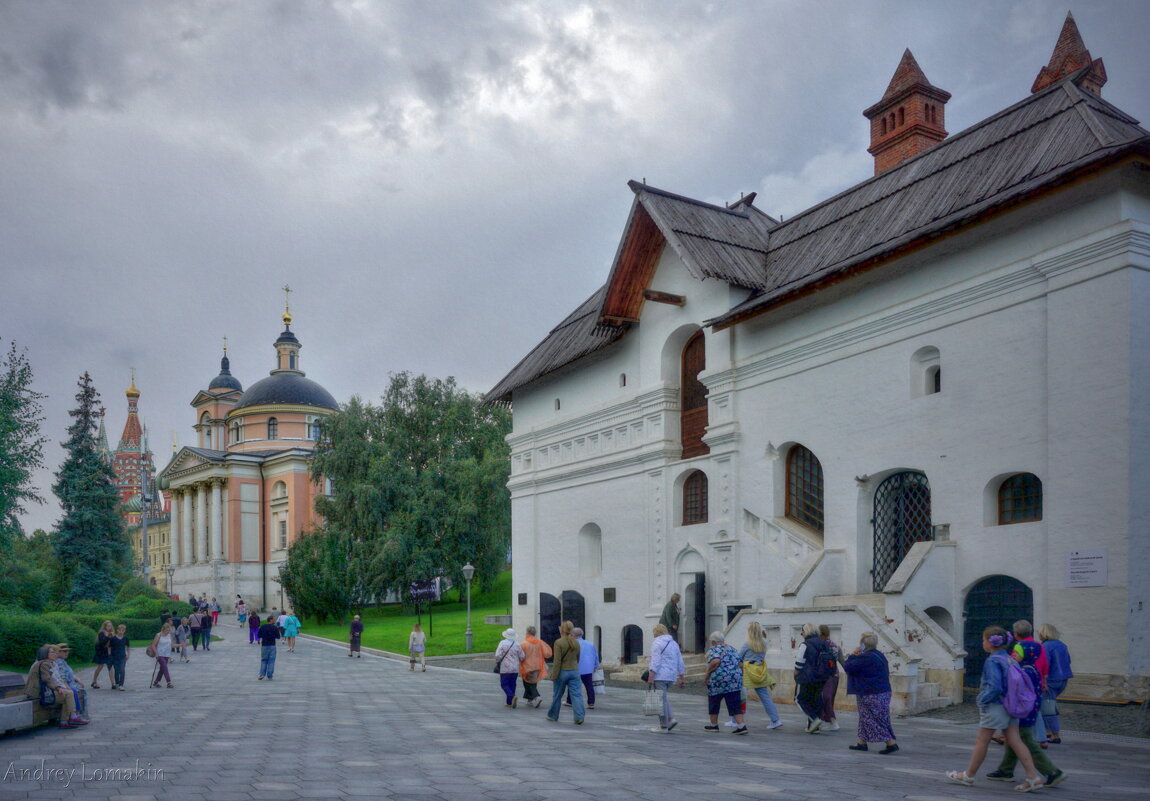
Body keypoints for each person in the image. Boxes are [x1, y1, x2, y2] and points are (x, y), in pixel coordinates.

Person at [946, 626, 1044, 792]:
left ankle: (968, 775)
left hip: (996, 705)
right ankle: (1033, 776)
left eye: (984, 640)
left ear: (990, 644)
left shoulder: (993, 660)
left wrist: (981, 700)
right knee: (1015, 740)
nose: (982, 643)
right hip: (1011, 704)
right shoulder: (1010, 659)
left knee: (982, 741)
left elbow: (995, 687)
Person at [985, 640, 1066, 787]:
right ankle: (1005, 770)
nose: (1013, 654)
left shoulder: (1026, 670)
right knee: (1013, 738)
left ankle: (1052, 771)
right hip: (1028, 709)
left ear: (1027, 654)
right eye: (1014, 651)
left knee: (1026, 741)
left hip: (1024, 711)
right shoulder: (1031, 668)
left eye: (1017, 652)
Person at [842, 632, 898, 753]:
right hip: (883, 690)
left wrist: (852, 655)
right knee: (866, 717)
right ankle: (862, 742)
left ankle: (890, 743)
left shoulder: (864, 658)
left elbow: (848, 667)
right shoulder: (879, 655)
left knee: (873, 718)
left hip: (870, 693)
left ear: (863, 644)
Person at [738, 621, 783, 729]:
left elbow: (739, 656)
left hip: (747, 672)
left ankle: (735, 720)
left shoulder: (747, 643)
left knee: (739, 695)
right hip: (759, 671)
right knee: (765, 696)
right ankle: (775, 720)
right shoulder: (764, 642)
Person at [27, 645, 85, 728]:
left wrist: (63, 686)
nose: (55, 654)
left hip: (45, 691)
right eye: (52, 652)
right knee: (69, 694)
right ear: (45, 654)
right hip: (39, 693)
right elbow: (47, 679)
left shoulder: (51, 663)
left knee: (67, 693)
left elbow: (57, 679)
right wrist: (58, 688)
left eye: (55, 652)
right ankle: (72, 716)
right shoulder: (44, 664)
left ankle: (65, 721)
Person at [703, 632, 747, 734]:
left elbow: (715, 661)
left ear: (713, 642)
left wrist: (707, 673)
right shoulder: (732, 649)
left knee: (714, 701)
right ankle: (741, 726)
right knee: (734, 702)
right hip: (734, 681)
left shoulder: (714, 649)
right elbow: (741, 664)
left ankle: (714, 725)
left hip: (718, 681)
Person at [646, 623, 685, 733]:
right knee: (664, 698)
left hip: (660, 675)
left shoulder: (656, 643)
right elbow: (680, 661)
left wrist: (651, 675)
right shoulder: (674, 643)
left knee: (660, 700)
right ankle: (671, 719)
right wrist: (681, 676)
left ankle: (664, 726)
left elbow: (655, 661)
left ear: (656, 633)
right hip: (671, 676)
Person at [794, 622, 833, 732]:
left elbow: (799, 663)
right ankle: (813, 726)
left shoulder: (805, 644)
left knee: (799, 699)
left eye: (802, 632)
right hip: (822, 676)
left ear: (806, 631)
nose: (802, 634)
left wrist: (796, 673)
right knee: (815, 698)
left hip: (806, 677)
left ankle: (814, 719)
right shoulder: (824, 643)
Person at [1038, 623, 1072, 743]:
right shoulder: (1062, 645)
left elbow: (1044, 665)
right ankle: (1047, 731)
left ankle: (1055, 734)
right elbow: (1068, 660)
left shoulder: (1045, 646)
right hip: (1063, 679)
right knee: (1049, 704)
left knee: (1047, 707)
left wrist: (1043, 680)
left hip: (1051, 680)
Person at [546, 621, 583, 724]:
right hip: (574, 671)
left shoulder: (559, 642)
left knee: (557, 695)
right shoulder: (576, 642)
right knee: (576, 695)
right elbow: (578, 658)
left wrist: (554, 675)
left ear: (561, 629)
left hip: (562, 671)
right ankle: (579, 717)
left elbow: (557, 661)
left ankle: (553, 715)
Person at [52, 644, 89, 722]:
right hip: (63, 685)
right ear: (58, 652)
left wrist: (77, 679)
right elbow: (62, 676)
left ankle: (78, 713)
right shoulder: (59, 662)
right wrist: (67, 685)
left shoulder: (63, 661)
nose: (67, 653)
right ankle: (76, 714)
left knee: (79, 690)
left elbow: (69, 673)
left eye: (67, 651)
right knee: (74, 690)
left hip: (68, 683)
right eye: (64, 651)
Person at [565, 627, 600, 709]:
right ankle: (591, 703)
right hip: (588, 668)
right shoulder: (590, 644)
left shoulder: (572, 644)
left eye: (571, 635)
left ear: (574, 635)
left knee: (572, 685)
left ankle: (569, 701)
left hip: (575, 667)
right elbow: (595, 656)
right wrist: (595, 666)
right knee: (589, 685)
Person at [519, 625, 552, 707]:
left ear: (527, 632)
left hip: (527, 666)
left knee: (528, 683)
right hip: (537, 665)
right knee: (533, 682)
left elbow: (520, 655)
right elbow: (548, 653)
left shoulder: (524, 644)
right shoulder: (539, 642)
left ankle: (537, 697)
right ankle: (529, 699)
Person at [818, 623, 842, 731]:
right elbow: (843, 662)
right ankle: (824, 720)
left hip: (823, 676)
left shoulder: (817, 646)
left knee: (825, 698)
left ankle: (832, 721)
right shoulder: (835, 646)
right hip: (835, 675)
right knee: (829, 698)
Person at [495, 628, 526, 708]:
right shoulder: (517, 644)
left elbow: (498, 655)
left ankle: (512, 696)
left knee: (504, 684)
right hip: (515, 668)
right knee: (512, 684)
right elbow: (522, 656)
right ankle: (509, 702)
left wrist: (498, 661)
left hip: (505, 668)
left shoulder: (502, 643)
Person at [149, 623, 174, 689]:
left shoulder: (169, 635)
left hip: (167, 654)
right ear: (163, 629)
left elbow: (170, 645)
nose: (168, 632)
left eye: (169, 630)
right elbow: (153, 645)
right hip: (160, 654)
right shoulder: (158, 635)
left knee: (162, 669)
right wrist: (156, 653)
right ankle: (169, 682)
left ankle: (156, 682)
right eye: (167, 630)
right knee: (165, 667)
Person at [91, 620, 115, 688]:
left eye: (110, 626)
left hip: (108, 652)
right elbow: (102, 643)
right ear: (104, 626)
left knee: (110, 667)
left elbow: (113, 643)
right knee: (100, 666)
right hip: (101, 652)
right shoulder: (102, 633)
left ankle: (113, 683)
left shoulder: (112, 633)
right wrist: (108, 637)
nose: (109, 627)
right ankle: (94, 681)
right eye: (108, 626)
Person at [258, 614, 281, 680]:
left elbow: (259, 635)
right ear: (270, 620)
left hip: (264, 645)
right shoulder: (274, 628)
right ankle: (270, 675)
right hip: (272, 645)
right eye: (274, 619)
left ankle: (262, 674)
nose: (275, 621)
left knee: (264, 660)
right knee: (271, 661)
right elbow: (278, 637)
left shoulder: (263, 627)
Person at [109, 624, 130, 689]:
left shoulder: (126, 638)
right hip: (114, 657)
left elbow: (128, 647)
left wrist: (128, 654)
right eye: (120, 630)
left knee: (122, 670)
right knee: (117, 671)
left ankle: (121, 685)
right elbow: (109, 647)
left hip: (122, 657)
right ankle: (117, 683)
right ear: (117, 630)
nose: (121, 631)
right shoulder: (113, 639)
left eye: (122, 630)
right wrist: (110, 655)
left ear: (124, 631)